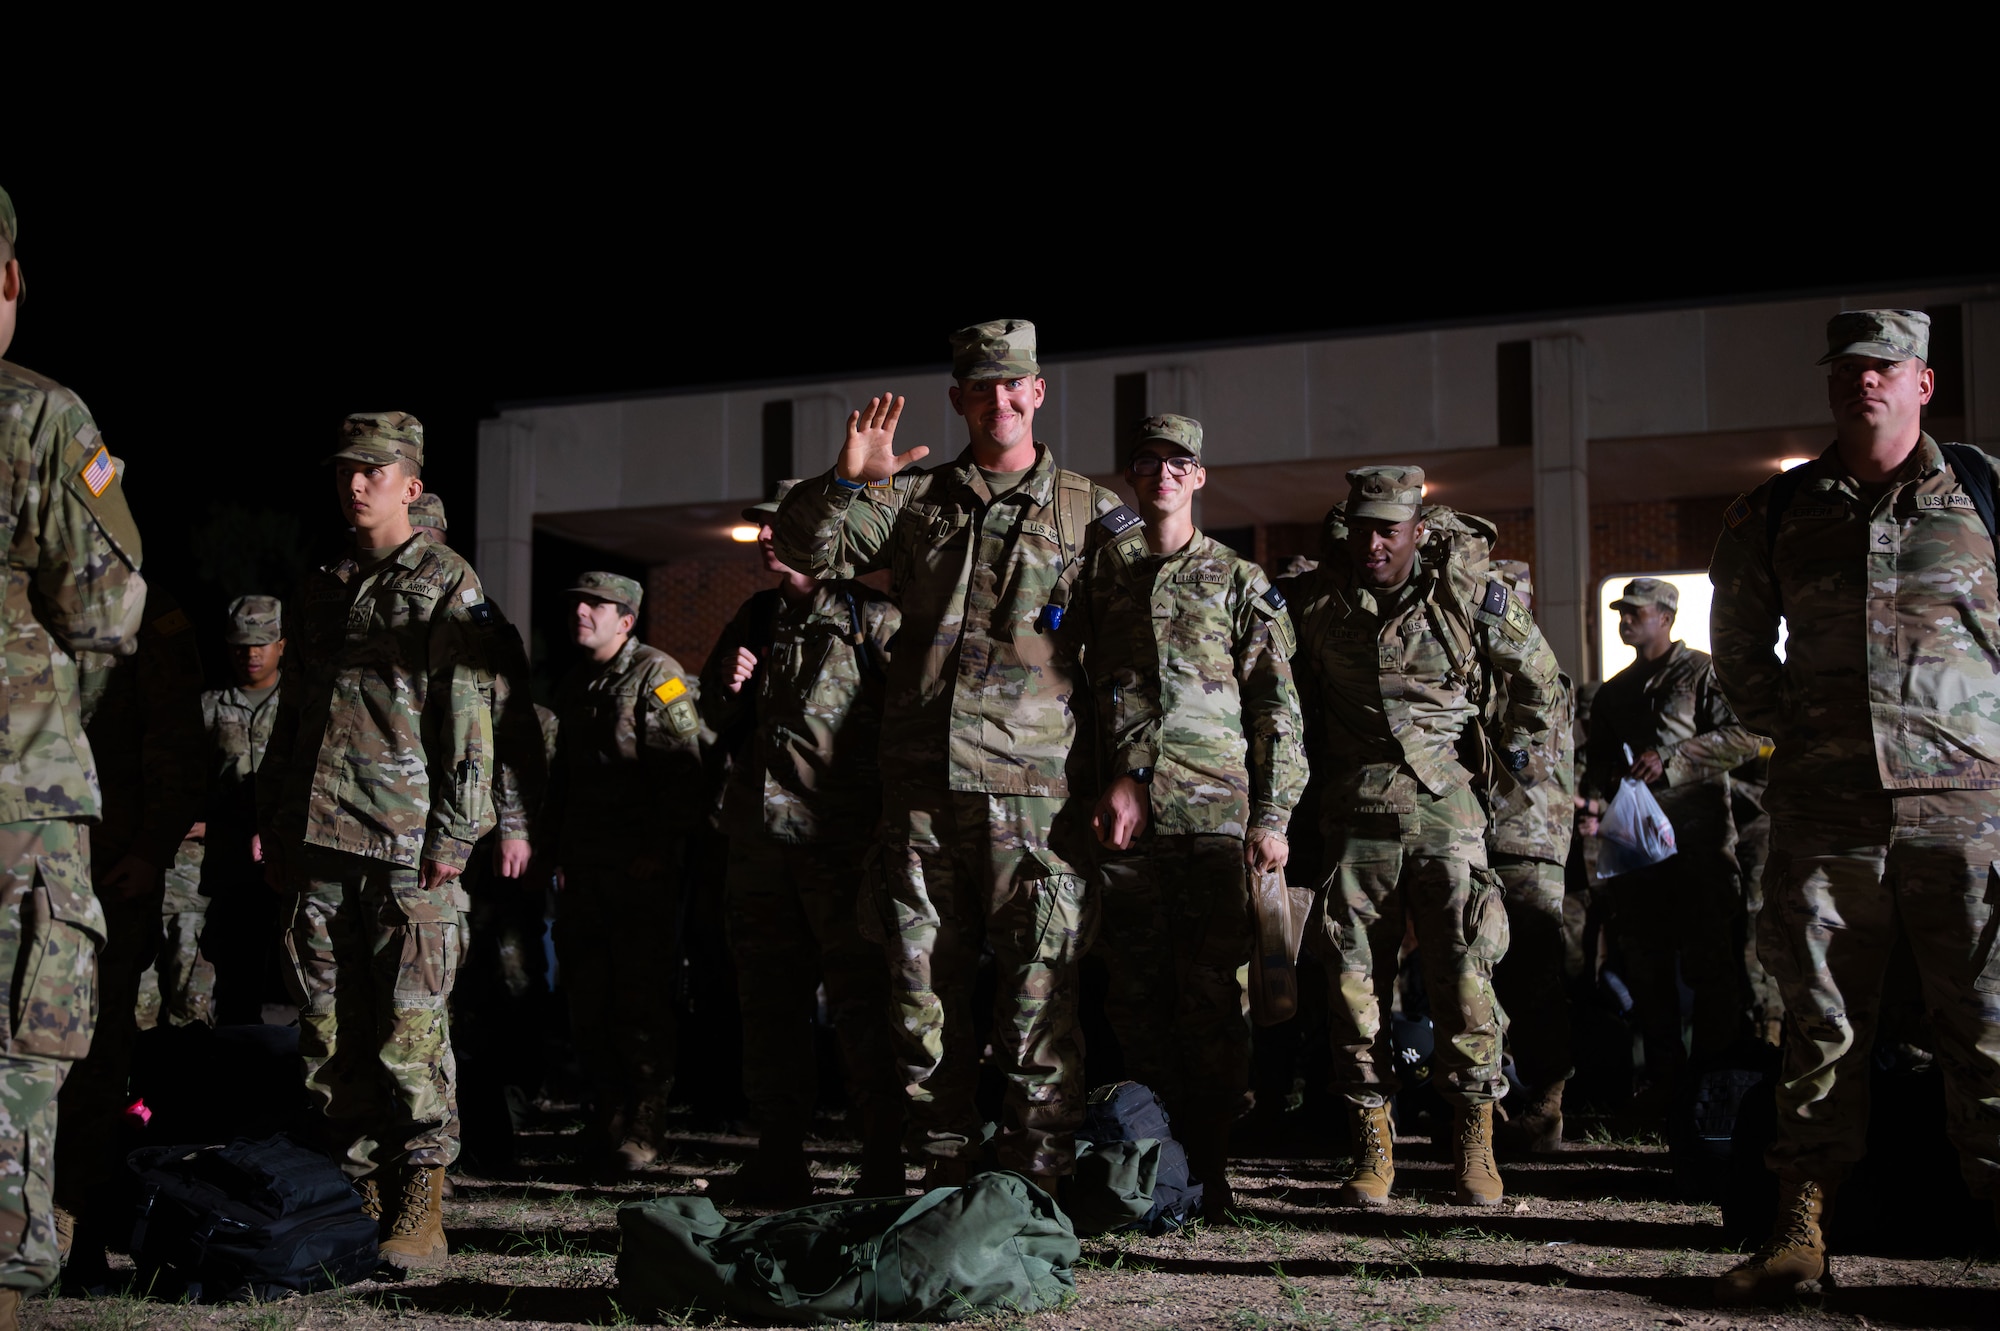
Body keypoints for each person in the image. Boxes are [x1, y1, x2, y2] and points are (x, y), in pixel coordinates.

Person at [771, 318, 1145, 1191]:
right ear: (958, 398)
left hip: (1038, 797)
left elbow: (1130, 655)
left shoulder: (1091, 513)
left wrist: (1131, 769)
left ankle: (1036, 1189)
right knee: (918, 999)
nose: (999, 400)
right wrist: (843, 480)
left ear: (1039, 391)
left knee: (1037, 1001)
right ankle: (941, 1183)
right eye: (981, 386)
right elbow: (803, 549)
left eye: (1013, 384)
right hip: (924, 797)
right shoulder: (918, 500)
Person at [1710, 309, 2000, 1302]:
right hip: (1827, 815)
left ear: (1921, 381)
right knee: (1818, 1017)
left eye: (1881, 367)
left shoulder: (1981, 491)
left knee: (1986, 1020)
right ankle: (1800, 1228)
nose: (1860, 382)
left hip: (1966, 810)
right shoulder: (1776, 512)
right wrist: (1800, 738)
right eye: (1844, 368)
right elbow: (1738, 653)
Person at [257, 412, 495, 1270]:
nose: (354, 483)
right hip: (319, 837)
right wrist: (278, 817)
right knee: (328, 1029)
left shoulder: (444, 579)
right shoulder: (323, 582)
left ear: (411, 481)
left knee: (410, 1026)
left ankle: (420, 1202)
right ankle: (358, 1195)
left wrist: (456, 833)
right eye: (345, 470)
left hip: (405, 841)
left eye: (372, 469)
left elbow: (469, 715)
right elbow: (295, 713)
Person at [1290, 466, 1562, 1209]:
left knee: (1467, 980)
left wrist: (1509, 765)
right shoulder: (1317, 605)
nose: (1373, 542)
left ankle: (1474, 1136)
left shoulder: (1468, 600)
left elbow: (1540, 681)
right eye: (1361, 526)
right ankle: (1372, 1143)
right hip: (1355, 819)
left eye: (1389, 528)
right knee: (1352, 988)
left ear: (1416, 529)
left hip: (1447, 813)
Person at [1083, 414, 1306, 1216]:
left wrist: (1273, 815)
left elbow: (1277, 709)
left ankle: (1212, 1172)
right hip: (1127, 829)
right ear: (1135, 477)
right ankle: (1156, 1170)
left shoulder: (1239, 582)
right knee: (1135, 1000)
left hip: (1215, 821)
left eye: (1179, 463)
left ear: (1199, 477)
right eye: (1148, 462)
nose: (1163, 474)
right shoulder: (1102, 579)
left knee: (1212, 1002)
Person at [0, 183, 148, 1324]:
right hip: (19, 782)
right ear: (7, 278)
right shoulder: (41, 416)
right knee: (18, 1035)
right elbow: (103, 608)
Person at [699, 480, 904, 1202]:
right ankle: (779, 1155)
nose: (761, 538)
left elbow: (909, 728)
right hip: (760, 850)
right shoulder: (756, 616)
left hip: (843, 848)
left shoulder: (869, 618)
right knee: (769, 1005)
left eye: (775, 526)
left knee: (862, 1007)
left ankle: (881, 1161)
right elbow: (708, 720)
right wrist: (725, 685)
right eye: (758, 526)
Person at [407, 493, 552, 1167]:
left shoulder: (478, 619)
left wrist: (515, 826)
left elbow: (513, 733)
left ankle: (496, 1129)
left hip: (479, 837)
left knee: (488, 987)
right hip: (404, 823)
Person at [544, 571, 704, 1173]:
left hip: (639, 871)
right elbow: (561, 780)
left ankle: (645, 1127)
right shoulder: (575, 683)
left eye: (596, 605)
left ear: (626, 620)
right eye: (577, 603)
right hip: (585, 869)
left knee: (641, 1000)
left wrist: (660, 847)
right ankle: (606, 1118)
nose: (581, 611)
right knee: (588, 999)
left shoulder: (657, 676)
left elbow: (686, 766)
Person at [1585, 578, 1762, 1107]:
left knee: (1712, 965)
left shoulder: (1703, 672)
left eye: (1636, 611)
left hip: (1699, 845)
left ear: (1665, 616)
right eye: (1621, 611)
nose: (1625, 619)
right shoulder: (1615, 691)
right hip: (1639, 853)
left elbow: (1746, 734)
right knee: (1647, 967)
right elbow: (1594, 764)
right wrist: (1612, 777)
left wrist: (1674, 760)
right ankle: (1665, 1085)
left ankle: (1714, 1084)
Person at [153, 594, 287, 1030]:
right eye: (240, 644)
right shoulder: (207, 708)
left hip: (285, 860)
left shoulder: (302, 707)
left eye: (261, 643)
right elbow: (184, 779)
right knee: (225, 985)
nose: (251, 654)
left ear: (281, 645)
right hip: (222, 867)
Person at [1479, 561, 1578, 1153]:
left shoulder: (1542, 679)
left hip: (1529, 846)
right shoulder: (1477, 675)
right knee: (1479, 983)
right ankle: (1489, 1105)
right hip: (1481, 843)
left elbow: (1528, 762)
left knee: (1534, 982)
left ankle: (1545, 1106)